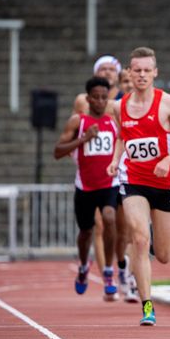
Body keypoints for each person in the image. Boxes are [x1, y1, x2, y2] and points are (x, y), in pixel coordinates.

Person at [107, 47, 170, 326]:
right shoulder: (120, 106)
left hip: (165, 182)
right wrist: (115, 159)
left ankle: (151, 241)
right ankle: (147, 305)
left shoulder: (168, 103)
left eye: (147, 70)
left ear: (155, 72)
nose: (142, 75)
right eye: (137, 70)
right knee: (140, 240)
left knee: (165, 255)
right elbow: (123, 136)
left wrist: (168, 159)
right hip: (134, 180)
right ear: (129, 73)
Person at [71, 56, 138, 302]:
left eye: (112, 69)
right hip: (95, 174)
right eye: (103, 69)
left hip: (121, 171)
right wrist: (76, 155)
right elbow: (76, 129)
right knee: (99, 226)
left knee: (125, 230)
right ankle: (106, 277)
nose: (108, 72)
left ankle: (124, 273)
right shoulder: (83, 100)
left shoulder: (125, 99)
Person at [54, 76, 120, 301]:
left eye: (104, 97)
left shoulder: (114, 122)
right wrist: (83, 139)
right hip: (85, 186)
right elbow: (57, 152)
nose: (100, 101)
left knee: (110, 218)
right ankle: (83, 266)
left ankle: (108, 271)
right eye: (96, 97)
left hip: (109, 183)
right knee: (86, 233)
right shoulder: (78, 122)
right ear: (88, 98)